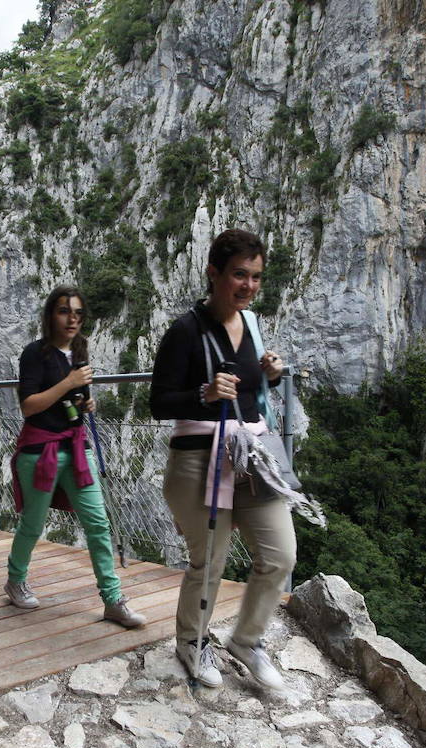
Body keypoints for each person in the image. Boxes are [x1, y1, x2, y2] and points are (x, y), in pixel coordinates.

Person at [149, 228, 297, 689]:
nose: (248, 286)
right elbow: (158, 402)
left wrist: (268, 376)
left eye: (255, 277)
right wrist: (204, 393)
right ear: (213, 273)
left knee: (280, 555)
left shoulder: (250, 326)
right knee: (209, 561)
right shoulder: (185, 331)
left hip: (251, 456)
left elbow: (249, 395)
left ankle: (247, 641)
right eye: (239, 275)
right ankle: (192, 641)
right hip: (198, 459)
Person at [5, 285, 144, 628]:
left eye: (78, 313)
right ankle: (15, 578)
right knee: (33, 524)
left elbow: (72, 401)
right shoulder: (34, 353)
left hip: (77, 447)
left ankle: (113, 600)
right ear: (51, 314)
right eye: (65, 311)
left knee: (98, 523)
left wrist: (85, 403)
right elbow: (28, 406)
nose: (72, 319)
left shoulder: (79, 354)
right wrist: (68, 384)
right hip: (40, 451)